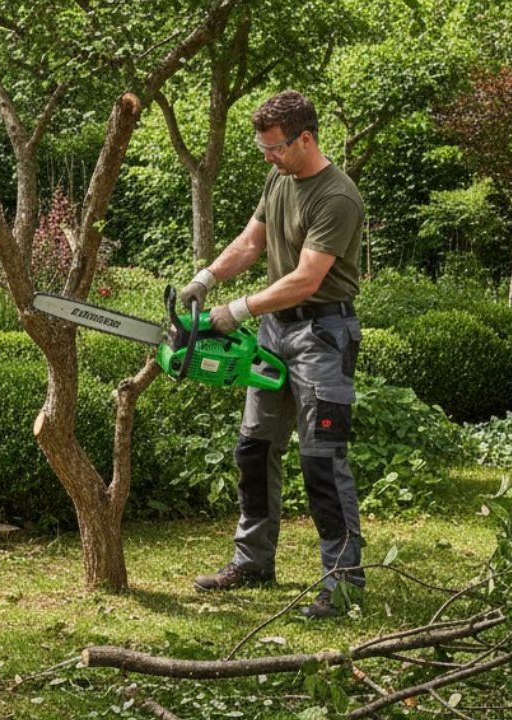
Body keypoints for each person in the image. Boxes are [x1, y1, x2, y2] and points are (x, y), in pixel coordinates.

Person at [182, 90, 366, 619]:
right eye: (263, 148)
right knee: (254, 449)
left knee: (322, 461)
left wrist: (235, 309)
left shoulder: (337, 196)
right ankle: (253, 561)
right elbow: (250, 242)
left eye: (276, 147)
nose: (269, 157)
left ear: (305, 138)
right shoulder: (279, 178)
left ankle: (342, 583)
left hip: (322, 335)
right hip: (273, 331)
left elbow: (307, 279)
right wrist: (206, 278)